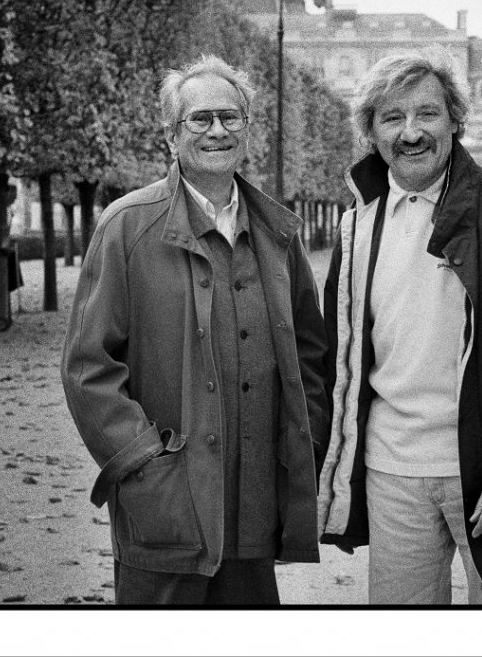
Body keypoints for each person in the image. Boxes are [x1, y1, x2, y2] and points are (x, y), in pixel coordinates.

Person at [317, 48, 482, 604]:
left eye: (426, 114)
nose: (410, 132)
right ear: (371, 131)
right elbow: (336, 358)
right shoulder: (354, 226)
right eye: (391, 117)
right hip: (391, 472)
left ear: (455, 120)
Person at [62, 55, 328, 605]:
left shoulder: (279, 233)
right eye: (200, 119)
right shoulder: (126, 227)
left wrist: (305, 443)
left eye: (231, 118)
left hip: (255, 506)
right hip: (167, 506)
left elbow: (310, 356)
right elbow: (89, 366)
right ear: (171, 135)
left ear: (247, 129)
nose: (217, 131)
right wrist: (140, 463)